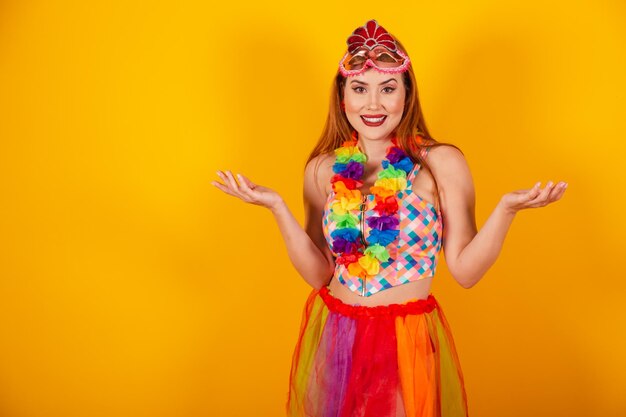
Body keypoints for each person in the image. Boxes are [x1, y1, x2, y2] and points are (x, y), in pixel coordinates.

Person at [212, 19, 567, 417]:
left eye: (388, 89)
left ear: (407, 94)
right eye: (360, 89)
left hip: (405, 340)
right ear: (342, 97)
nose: (373, 105)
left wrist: (506, 210)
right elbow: (320, 275)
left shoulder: (439, 163)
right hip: (338, 336)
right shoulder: (322, 169)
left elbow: (466, 272)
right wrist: (277, 208)